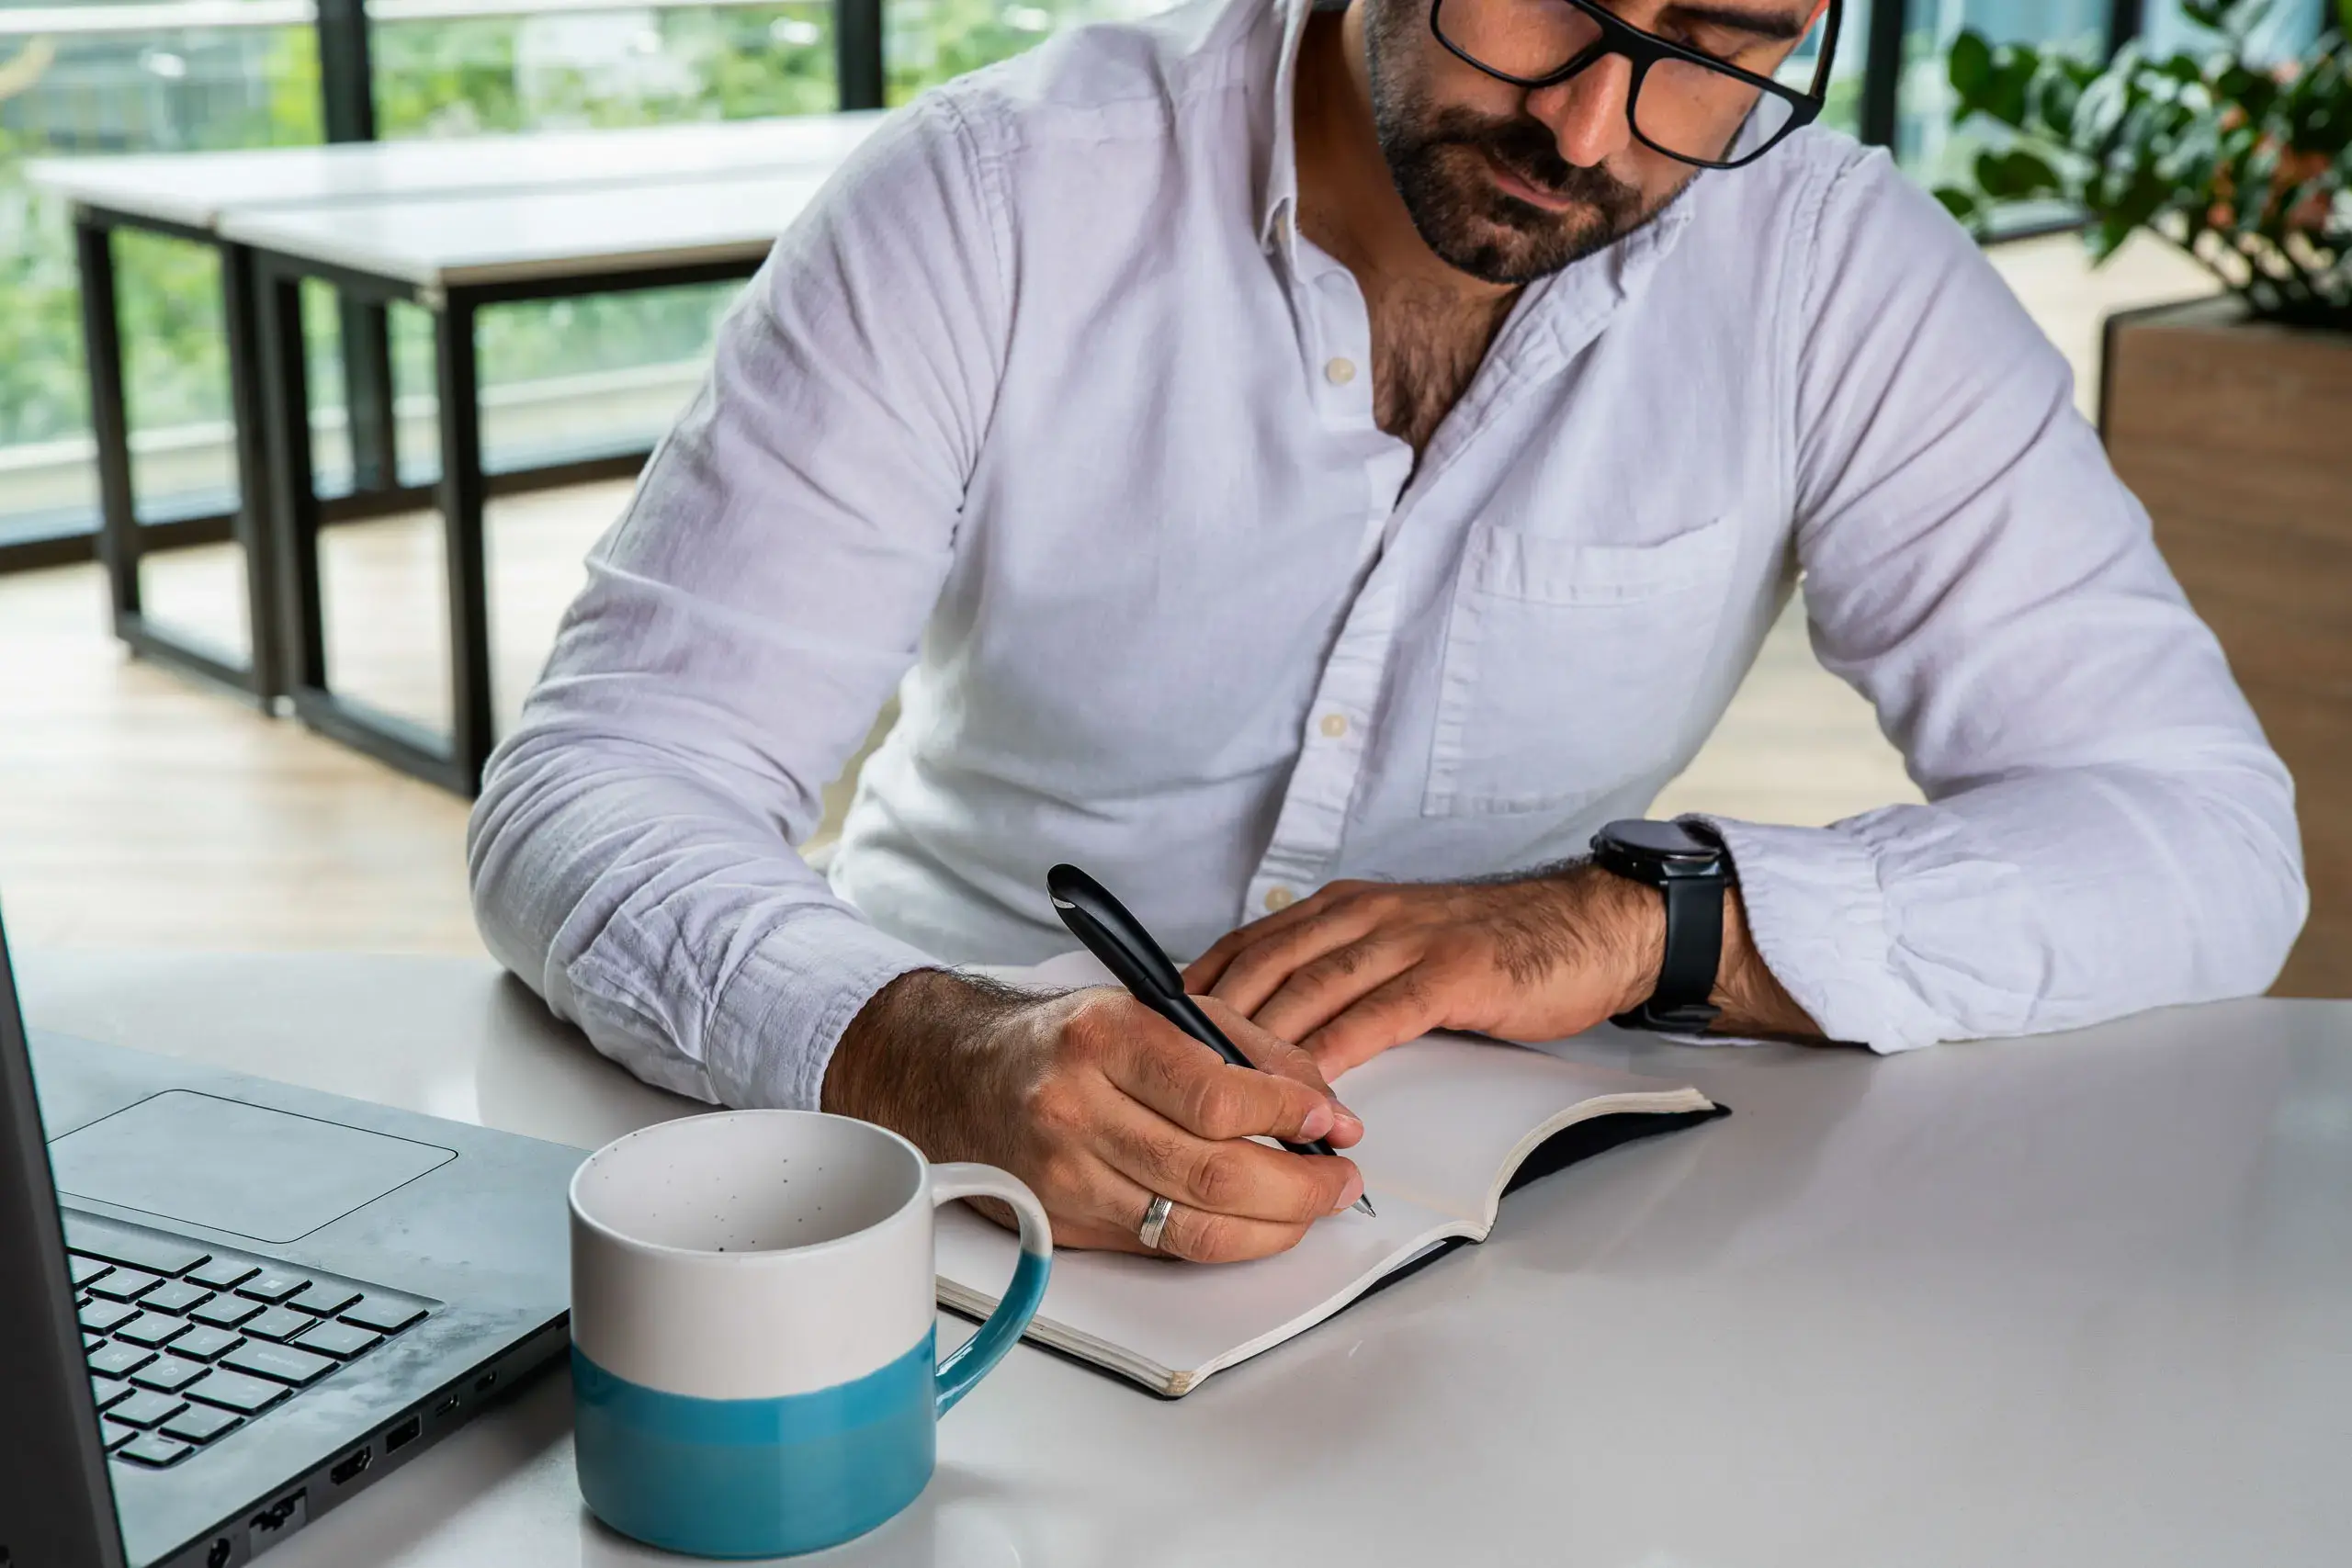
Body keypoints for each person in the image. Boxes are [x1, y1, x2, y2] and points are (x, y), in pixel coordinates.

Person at [469, 0, 2305, 1265]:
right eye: (1540, 5)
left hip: (1494, 1227)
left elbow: (2197, 834)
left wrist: (1638, 918)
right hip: (941, 1189)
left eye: (1722, 47)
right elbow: (599, 782)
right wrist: (913, 1049)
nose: (1591, 125)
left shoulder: (1829, 271)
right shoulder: (990, 201)